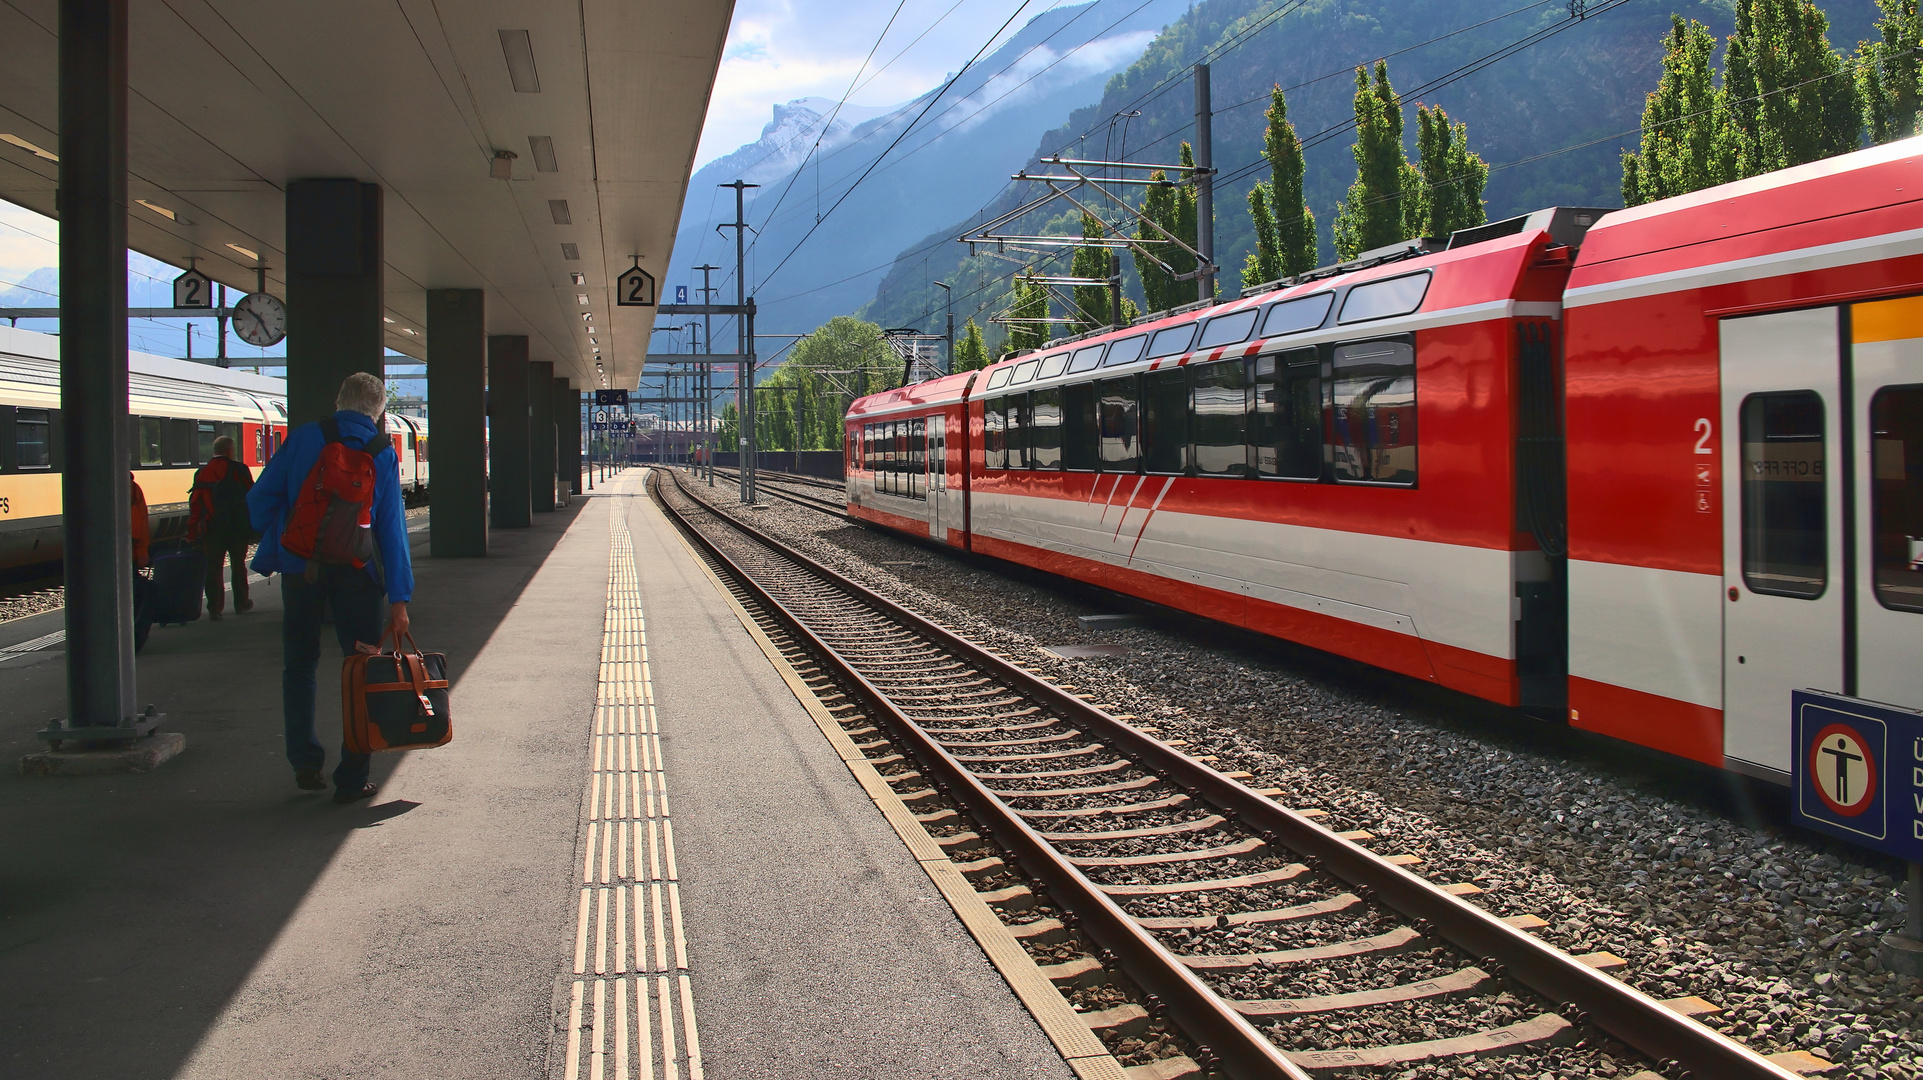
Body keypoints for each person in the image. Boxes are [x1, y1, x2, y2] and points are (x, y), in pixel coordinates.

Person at [248, 373, 413, 804]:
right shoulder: (381, 452)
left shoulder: (303, 438)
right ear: (378, 412)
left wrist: (282, 539)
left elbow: (259, 501)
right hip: (357, 576)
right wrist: (399, 598)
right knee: (358, 670)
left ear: (339, 400)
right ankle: (352, 777)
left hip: (302, 572)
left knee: (299, 666)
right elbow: (392, 531)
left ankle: (304, 762)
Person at [186, 435, 256, 620]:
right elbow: (252, 495)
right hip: (236, 528)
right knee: (238, 565)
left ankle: (214, 609)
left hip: (211, 528)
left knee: (214, 568)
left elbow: (195, 504)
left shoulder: (202, 473)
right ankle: (241, 603)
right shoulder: (239, 470)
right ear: (229, 451)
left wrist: (192, 531)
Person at [131, 472, 153, 653]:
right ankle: (133, 638)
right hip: (127, 553)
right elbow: (138, 525)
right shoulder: (130, 489)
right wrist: (141, 552)